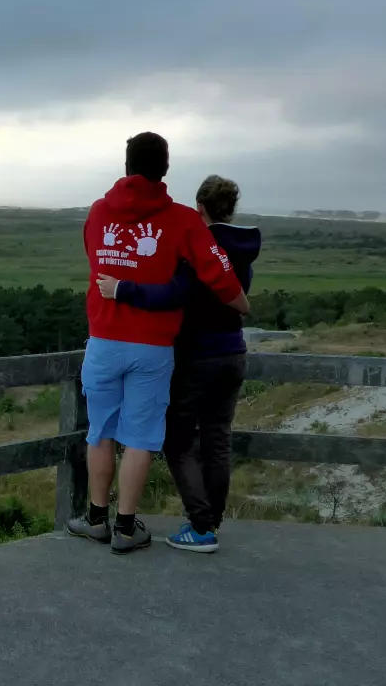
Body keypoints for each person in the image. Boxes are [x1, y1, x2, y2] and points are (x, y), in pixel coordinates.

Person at [67, 133, 249, 554]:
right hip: (151, 347)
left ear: (127, 165)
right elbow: (216, 270)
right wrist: (241, 302)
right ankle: (126, 529)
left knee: (100, 432)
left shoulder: (97, 213)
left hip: (103, 342)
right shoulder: (182, 219)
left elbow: (95, 257)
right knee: (142, 437)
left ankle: (96, 518)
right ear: (165, 169)